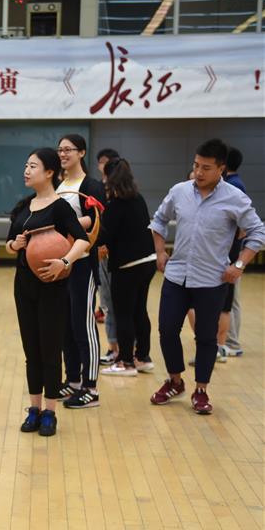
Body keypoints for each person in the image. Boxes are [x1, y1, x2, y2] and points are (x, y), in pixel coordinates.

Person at [149, 139, 264, 415]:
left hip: (211, 281)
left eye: (206, 168)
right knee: (166, 330)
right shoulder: (179, 191)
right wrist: (160, 252)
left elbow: (258, 233)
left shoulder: (235, 199)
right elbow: (158, 220)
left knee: (206, 337)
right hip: (176, 276)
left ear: (221, 169)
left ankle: (201, 389)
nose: (199, 172)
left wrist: (238, 264)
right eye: (196, 165)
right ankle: (175, 381)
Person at [6, 147, 90, 437]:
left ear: (50, 172)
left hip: (53, 286)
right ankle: (34, 408)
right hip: (24, 285)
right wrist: (15, 245)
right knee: (32, 350)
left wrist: (64, 261)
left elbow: (82, 241)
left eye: (33, 166)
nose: (26, 171)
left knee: (51, 349)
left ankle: (50, 412)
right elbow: (10, 246)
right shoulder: (22, 206)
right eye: (26, 165)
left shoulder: (61, 207)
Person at [54, 134, 106, 409]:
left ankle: (91, 387)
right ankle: (73, 380)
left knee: (84, 325)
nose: (63, 154)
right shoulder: (60, 185)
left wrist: (66, 224)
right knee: (66, 324)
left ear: (81, 152)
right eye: (60, 150)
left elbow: (97, 218)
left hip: (83, 262)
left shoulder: (91, 185)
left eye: (68, 150)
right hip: (62, 263)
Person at [96, 158, 156, 377]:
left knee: (123, 313)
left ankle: (125, 362)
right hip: (147, 261)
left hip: (128, 265)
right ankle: (143, 357)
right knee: (139, 310)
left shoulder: (116, 205)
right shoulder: (137, 198)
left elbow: (104, 236)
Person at [95, 148, 121, 365]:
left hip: (114, 255)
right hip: (102, 253)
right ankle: (115, 348)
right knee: (107, 302)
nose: (104, 166)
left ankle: (120, 350)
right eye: (101, 162)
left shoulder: (119, 195)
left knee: (114, 303)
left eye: (108, 163)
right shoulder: (98, 189)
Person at [223, 146, 246, 356]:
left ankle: (232, 342)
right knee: (229, 299)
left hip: (233, 254)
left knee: (231, 300)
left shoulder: (234, 186)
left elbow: (243, 226)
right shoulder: (232, 184)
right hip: (230, 253)